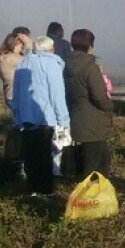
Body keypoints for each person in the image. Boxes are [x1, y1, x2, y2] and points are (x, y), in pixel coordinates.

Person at [11, 36, 70, 195]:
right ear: (50, 49)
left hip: (26, 117)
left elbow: (15, 94)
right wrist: (64, 121)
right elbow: (57, 95)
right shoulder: (52, 65)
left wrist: (17, 117)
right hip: (46, 117)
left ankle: (32, 189)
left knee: (31, 155)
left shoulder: (23, 63)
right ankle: (46, 191)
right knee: (45, 157)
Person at [64, 29, 114, 177]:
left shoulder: (67, 65)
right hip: (94, 121)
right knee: (97, 165)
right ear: (90, 45)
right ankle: (91, 197)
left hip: (77, 117)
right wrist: (109, 106)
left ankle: (92, 194)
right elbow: (99, 96)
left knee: (92, 159)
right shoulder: (90, 67)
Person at [0, 33, 24, 108]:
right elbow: (30, 61)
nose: (21, 46)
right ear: (13, 45)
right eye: (19, 44)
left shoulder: (4, 56)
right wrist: (28, 44)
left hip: (9, 93)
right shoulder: (11, 58)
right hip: (15, 94)